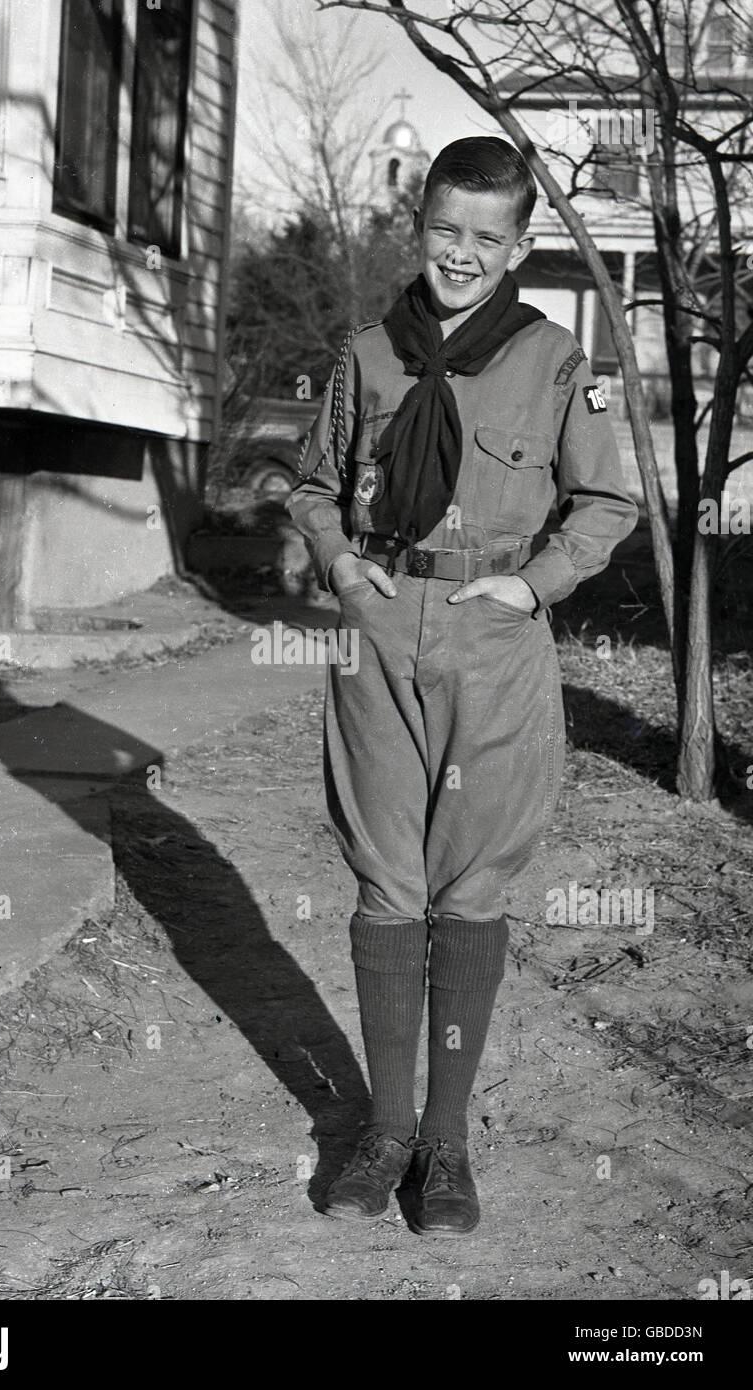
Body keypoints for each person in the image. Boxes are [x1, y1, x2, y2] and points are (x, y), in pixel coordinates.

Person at [286, 136, 638, 1237]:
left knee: (469, 888)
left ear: (518, 246)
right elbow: (312, 481)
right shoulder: (364, 355)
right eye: (446, 231)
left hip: (494, 640)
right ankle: (381, 1130)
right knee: (387, 879)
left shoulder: (551, 360)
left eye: (487, 238)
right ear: (420, 228)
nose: (462, 254)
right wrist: (339, 563)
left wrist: (533, 589)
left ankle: (444, 1146)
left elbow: (605, 505)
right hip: (382, 634)